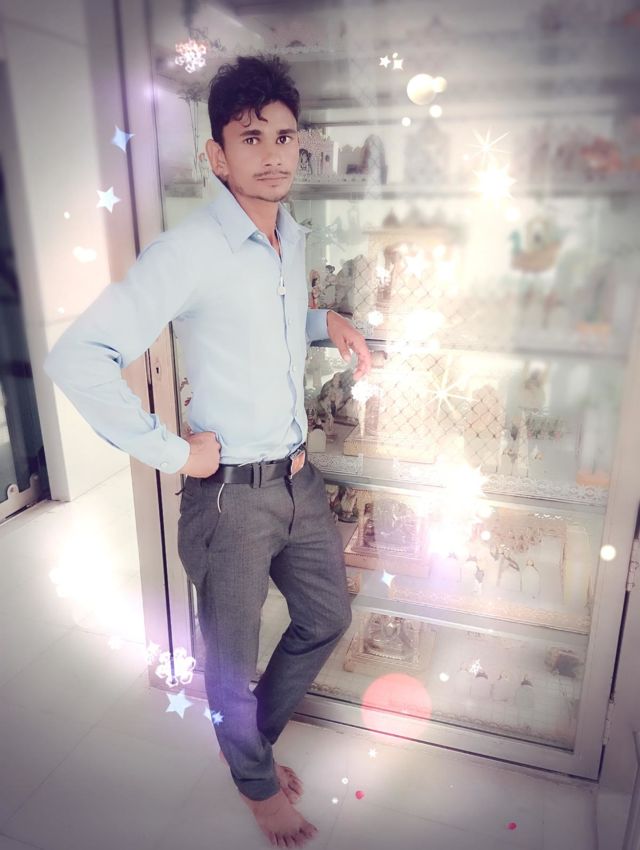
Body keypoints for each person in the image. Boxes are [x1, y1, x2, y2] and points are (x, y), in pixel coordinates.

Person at [44, 53, 371, 847]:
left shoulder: (288, 234)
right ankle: (255, 784)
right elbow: (77, 356)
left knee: (326, 617)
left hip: (297, 479)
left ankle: (247, 748)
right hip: (229, 496)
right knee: (228, 660)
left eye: (284, 137)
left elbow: (257, 322)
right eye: (250, 137)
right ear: (216, 154)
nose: (273, 154)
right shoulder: (189, 249)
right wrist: (171, 451)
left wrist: (320, 322)